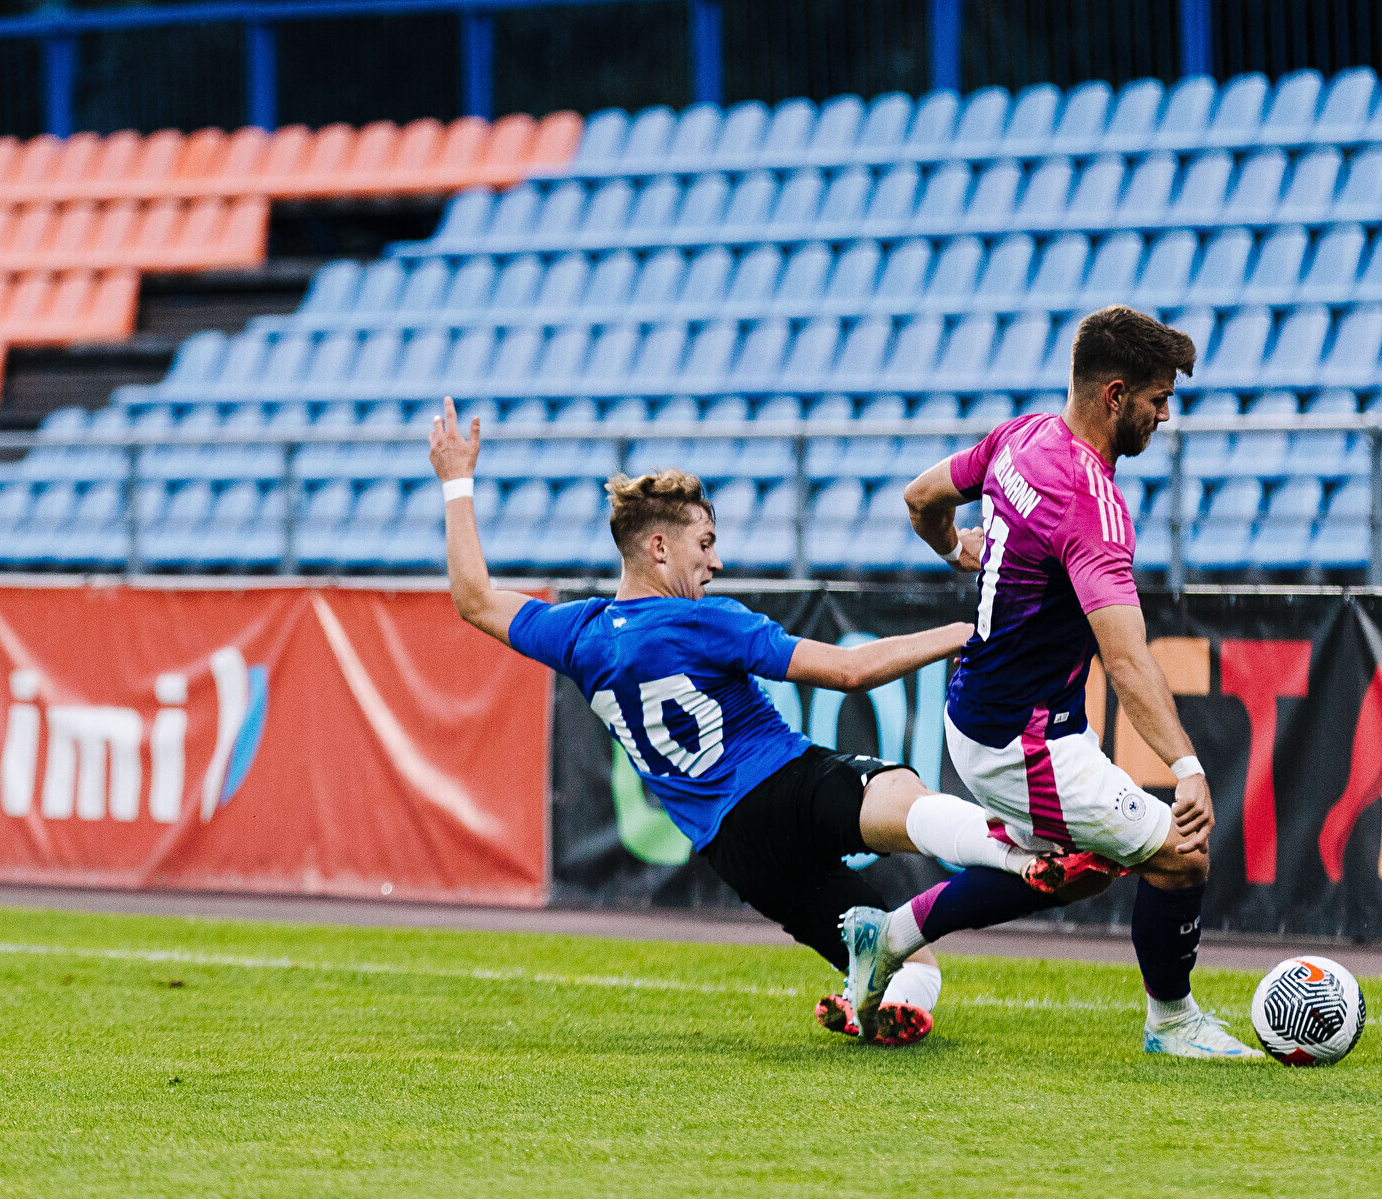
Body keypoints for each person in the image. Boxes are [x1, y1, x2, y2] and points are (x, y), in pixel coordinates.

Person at [430, 397, 1006, 1046]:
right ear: (658, 547)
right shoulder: (704, 620)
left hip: (734, 851)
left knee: (911, 963)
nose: (716, 562)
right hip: (780, 786)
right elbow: (849, 671)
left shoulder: (579, 634)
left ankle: (874, 1008)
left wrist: (456, 481)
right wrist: (964, 631)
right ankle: (1017, 852)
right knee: (902, 792)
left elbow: (474, 599)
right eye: (704, 545)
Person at [847, 304, 1259, 1059]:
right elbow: (1127, 660)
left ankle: (892, 936)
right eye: (1158, 398)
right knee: (1181, 853)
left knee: (1080, 872)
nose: (1165, 416)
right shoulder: (1091, 505)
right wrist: (1187, 767)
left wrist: (954, 548)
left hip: (991, 714)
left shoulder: (1022, 437)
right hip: (1024, 740)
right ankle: (1173, 1022)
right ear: (1115, 395)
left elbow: (919, 498)